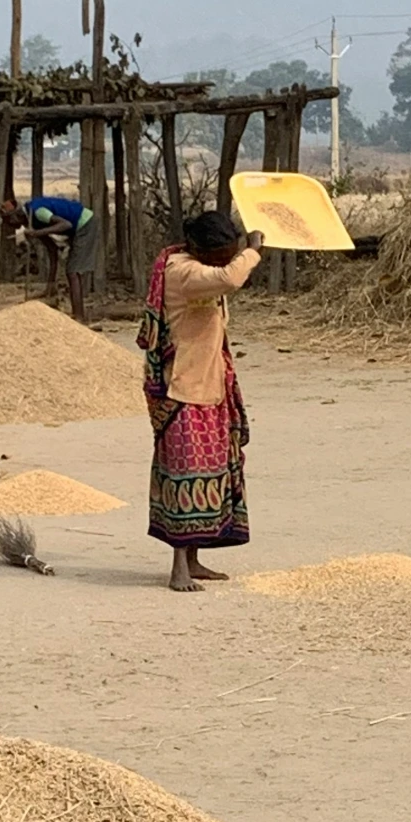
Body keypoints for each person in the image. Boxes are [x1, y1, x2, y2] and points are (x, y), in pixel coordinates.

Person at [138, 211, 264, 592]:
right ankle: (178, 566)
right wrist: (252, 251)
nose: (227, 259)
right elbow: (230, 278)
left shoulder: (198, 267)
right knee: (184, 474)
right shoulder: (183, 273)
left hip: (207, 385)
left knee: (211, 471)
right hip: (182, 390)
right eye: (221, 253)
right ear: (199, 250)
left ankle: (193, 559)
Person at [0, 191, 99, 323]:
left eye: (8, 220)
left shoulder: (37, 212)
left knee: (73, 271)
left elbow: (66, 224)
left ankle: (79, 317)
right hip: (76, 226)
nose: (9, 225)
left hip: (84, 223)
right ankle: (77, 314)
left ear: (15, 216)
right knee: (72, 271)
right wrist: (50, 284)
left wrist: (37, 233)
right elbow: (52, 250)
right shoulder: (32, 223)